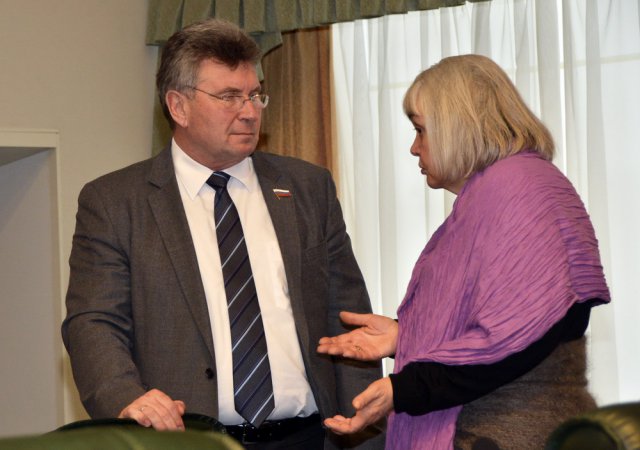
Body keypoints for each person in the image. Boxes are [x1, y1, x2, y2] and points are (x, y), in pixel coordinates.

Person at [62, 18, 384, 450]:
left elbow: (347, 315)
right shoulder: (115, 202)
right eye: (230, 97)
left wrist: (364, 426)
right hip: (187, 441)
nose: (249, 111)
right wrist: (125, 397)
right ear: (178, 106)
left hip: (308, 436)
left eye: (254, 95)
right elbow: (94, 322)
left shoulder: (308, 187)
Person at [317, 54, 611, 450]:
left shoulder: (515, 189)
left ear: (456, 127)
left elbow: (513, 342)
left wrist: (404, 388)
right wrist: (406, 335)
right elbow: (502, 321)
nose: (414, 148)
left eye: (421, 130)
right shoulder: (506, 187)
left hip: (506, 431)